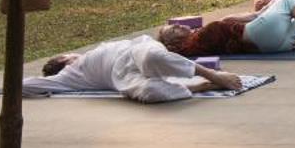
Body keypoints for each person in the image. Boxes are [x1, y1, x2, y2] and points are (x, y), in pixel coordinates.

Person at [24, 35, 245, 102]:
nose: (75, 54)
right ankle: (202, 85)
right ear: (64, 60)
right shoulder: (68, 76)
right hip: (121, 77)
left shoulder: (102, 48)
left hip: (135, 51)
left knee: (153, 56)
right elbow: (25, 85)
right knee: (149, 93)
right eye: (69, 55)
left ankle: (213, 74)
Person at [158, 0, 295, 57]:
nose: (179, 25)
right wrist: (258, 13)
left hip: (275, 47)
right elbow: (228, 20)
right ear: (174, 44)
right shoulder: (197, 39)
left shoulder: (196, 41)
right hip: (258, 34)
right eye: (174, 30)